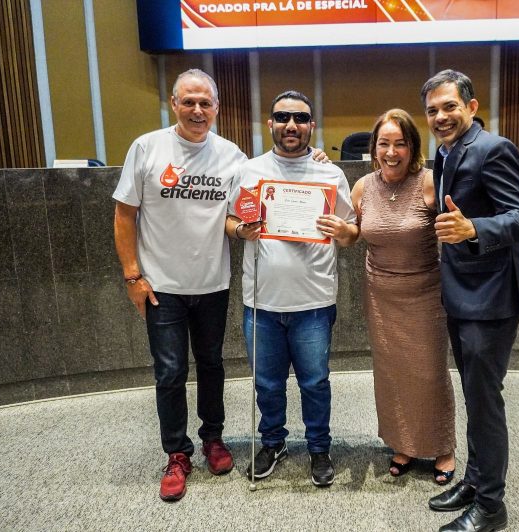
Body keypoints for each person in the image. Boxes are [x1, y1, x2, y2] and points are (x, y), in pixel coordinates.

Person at [113, 69, 244, 502]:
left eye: (206, 102)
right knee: (170, 372)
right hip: (161, 286)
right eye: (188, 101)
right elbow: (124, 214)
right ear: (173, 104)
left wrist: (314, 162)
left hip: (212, 283)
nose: (197, 110)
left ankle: (212, 439)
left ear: (217, 108)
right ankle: (177, 453)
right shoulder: (147, 147)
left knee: (211, 365)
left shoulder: (231, 156)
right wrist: (133, 274)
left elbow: (242, 209)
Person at [227, 90, 358, 488]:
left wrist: (343, 232)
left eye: (300, 119)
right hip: (261, 303)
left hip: (314, 302)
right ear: (270, 123)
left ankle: (319, 448)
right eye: (282, 118)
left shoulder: (329, 174)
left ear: (311, 127)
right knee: (266, 384)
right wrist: (241, 229)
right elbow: (230, 221)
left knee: (315, 383)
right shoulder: (249, 171)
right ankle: (273, 443)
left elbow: (352, 232)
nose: (291, 126)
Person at [422, 70, 519, 532]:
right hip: (463, 291)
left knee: (485, 400)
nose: (441, 116)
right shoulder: (445, 153)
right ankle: (475, 479)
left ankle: (492, 506)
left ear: (471, 106)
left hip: (491, 297)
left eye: (449, 106)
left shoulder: (492, 148)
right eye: (432, 110)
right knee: (474, 394)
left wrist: (475, 230)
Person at [350, 109, 457, 485]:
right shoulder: (363, 186)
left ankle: (443, 446)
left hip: (425, 293)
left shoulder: (430, 182)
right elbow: (350, 232)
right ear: (373, 147)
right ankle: (404, 443)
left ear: (413, 147)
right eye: (384, 143)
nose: (391, 151)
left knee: (429, 372)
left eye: (400, 143)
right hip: (380, 294)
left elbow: (463, 224)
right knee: (392, 373)